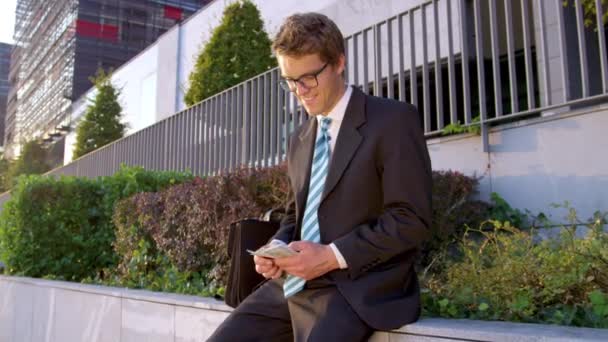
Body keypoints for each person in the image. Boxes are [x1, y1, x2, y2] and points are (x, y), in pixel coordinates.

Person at [208, 12, 432, 342]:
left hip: (356, 286)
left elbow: (411, 220)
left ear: (339, 62)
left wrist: (329, 257)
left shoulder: (393, 120)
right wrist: (278, 247)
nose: (299, 91)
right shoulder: (300, 137)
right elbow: (294, 215)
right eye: (289, 80)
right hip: (291, 284)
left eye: (308, 78)